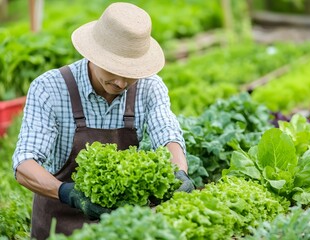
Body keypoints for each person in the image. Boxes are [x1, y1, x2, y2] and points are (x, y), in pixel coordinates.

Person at [12, 2, 194, 239]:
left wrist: (179, 171)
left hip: (122, 228)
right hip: (60, 228)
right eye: (112, 68)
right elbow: (24, 164)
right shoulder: (50, 88)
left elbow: (167, 133)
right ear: (93, 53)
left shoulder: (150, 87)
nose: (121, 82)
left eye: (131, 72)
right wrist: (68, 192)